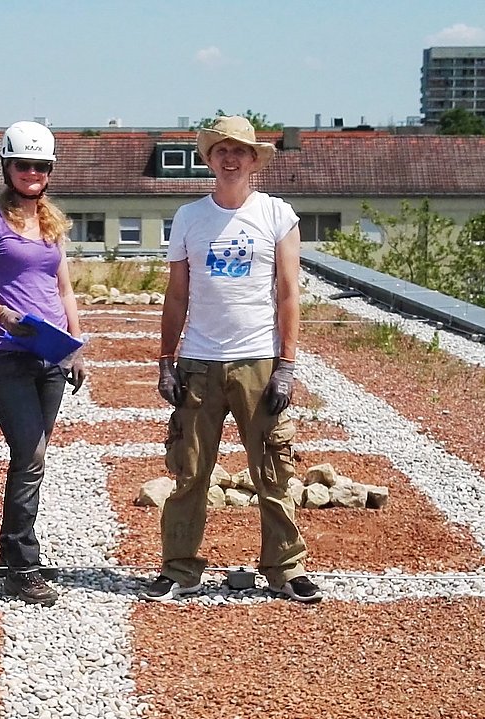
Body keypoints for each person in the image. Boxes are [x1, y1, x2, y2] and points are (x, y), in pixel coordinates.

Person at [143, 114, 319, 604]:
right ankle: (180, 568)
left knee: (273, 471)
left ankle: (285, 568)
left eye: (239, 150)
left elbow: (288, 293)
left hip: (259, 361)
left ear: (253, 159)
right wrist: (166, 360)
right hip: (199, 362)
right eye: (221, 150)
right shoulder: (189, 217)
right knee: (190, 471)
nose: (230, 158)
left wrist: (287, 365)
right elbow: (177, 294)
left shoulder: (277, 215)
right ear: (209, 159)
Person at [0, 120, 87, 606]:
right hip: (8, 353)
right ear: (7, 167)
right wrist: (0, 313)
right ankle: (21, 565)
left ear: (50, 171)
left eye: (40, 166)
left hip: (50, 354)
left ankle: (16, 553)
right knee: (29, 455)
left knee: (34, 458)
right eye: (23, 165)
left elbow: (63, 288)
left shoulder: (51, 224)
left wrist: (75, 344)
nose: (32, 173)